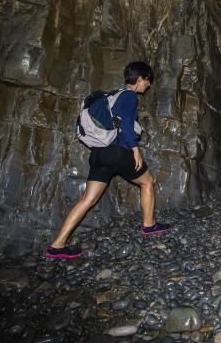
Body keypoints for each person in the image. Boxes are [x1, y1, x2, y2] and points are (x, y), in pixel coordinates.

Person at [45, 61, 170, 259]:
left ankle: (57, 245)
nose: (149, 85)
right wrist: (135, 150)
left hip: (99, 152)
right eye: (148, 80)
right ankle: (148, 225)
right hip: (118, 151)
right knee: (147, 182)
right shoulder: (129, 96)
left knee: (87, 199)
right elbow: (127, 123)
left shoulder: (113, 95)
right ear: (140, 79)